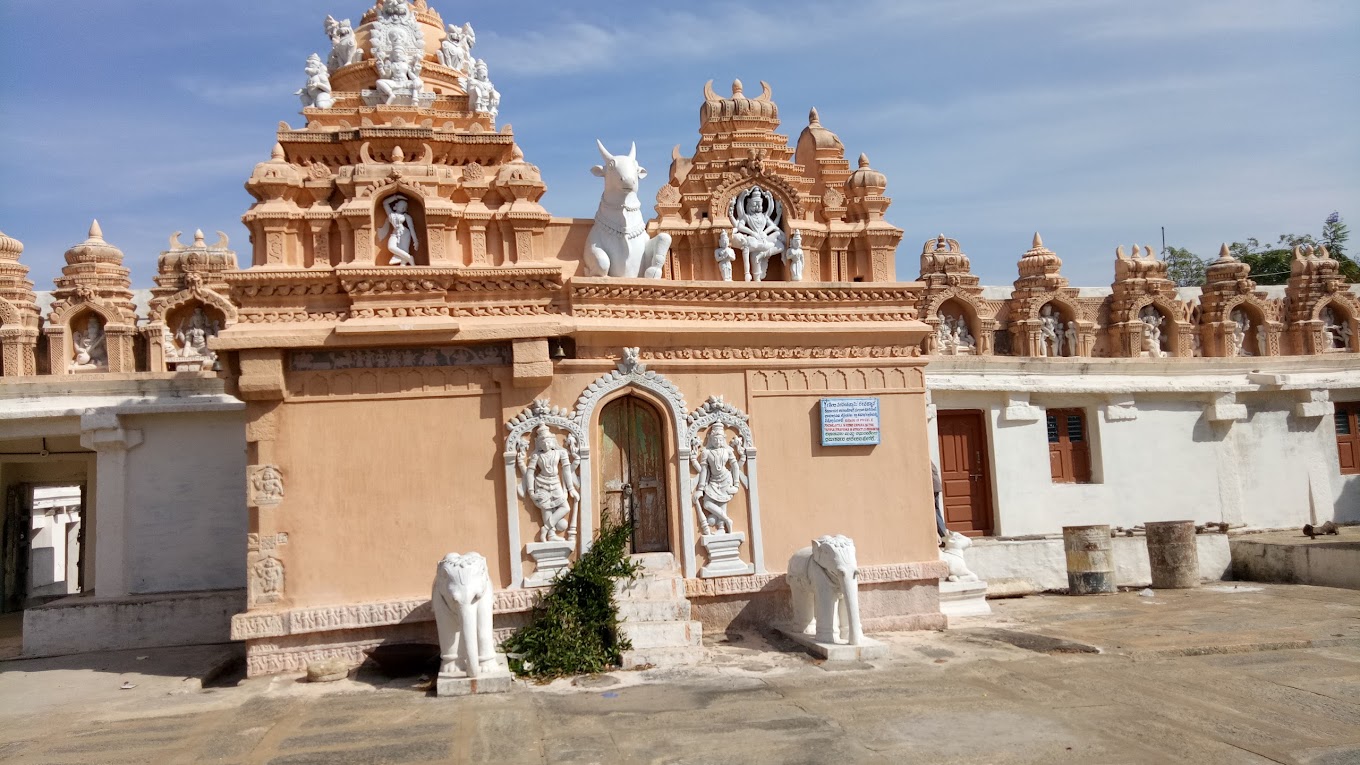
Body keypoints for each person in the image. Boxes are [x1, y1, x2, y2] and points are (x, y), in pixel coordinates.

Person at [932, 461, 946, 541]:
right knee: (936, 511)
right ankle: (944, 535)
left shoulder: (925, 461)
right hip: (936, 487)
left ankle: (944, 536)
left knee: (935, 511)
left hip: (933, 488)